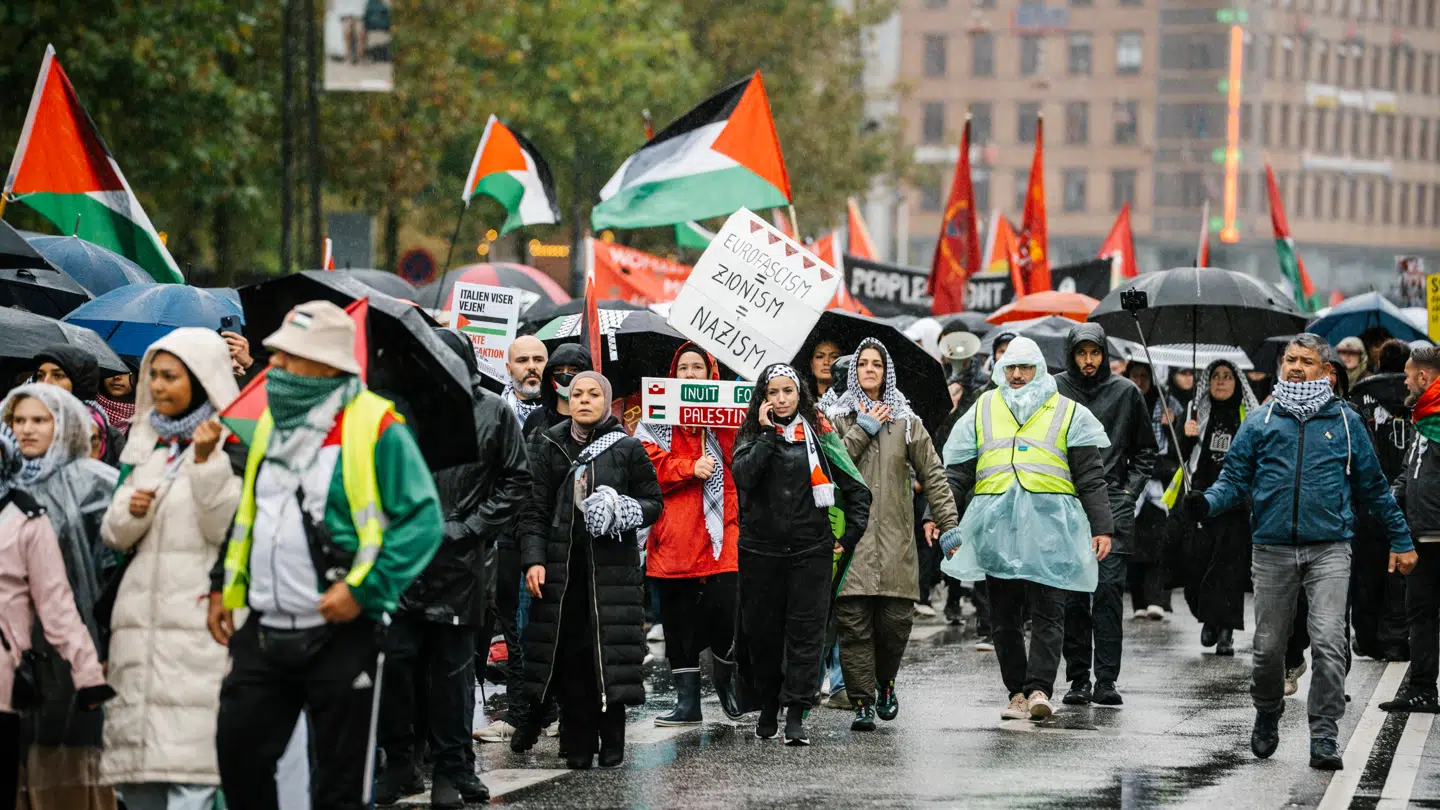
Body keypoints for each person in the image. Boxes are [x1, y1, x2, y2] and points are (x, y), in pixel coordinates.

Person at [208, 301, 443, 810]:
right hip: (264, 630)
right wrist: (223, 587)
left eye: (291, 358)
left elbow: (423, 522)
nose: (275, 367)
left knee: (339, 783)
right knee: (238, 754)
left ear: (329, 366)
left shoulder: (378, 427)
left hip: (342, 633)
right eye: (275, 355)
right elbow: (252, 513)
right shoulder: (270, 424)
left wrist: (364, 591)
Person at [1183, 333, 1414, 770]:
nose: (1295, 366)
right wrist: (1207, 501)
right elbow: (1233, 480)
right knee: (1269, 649)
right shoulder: (1261, 419)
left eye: (1306, 360)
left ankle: (1324, 734)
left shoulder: (1345, 421)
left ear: (1324, 370)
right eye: (1290, 359)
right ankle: (1268, 710)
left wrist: (1401, 539)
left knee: (1330, 644)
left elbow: (1374, 488)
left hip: (1330, 549)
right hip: (1271, 550)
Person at [373, 329, 530, 808]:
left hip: (462, 564)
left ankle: (452, 767)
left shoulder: (494, 410)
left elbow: (516, 479)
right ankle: (401, 761)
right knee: (397, 664)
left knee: (452, 673)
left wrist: (470, 526)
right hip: (404, 559)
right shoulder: (399, 408)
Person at [92, 329, 241, 810]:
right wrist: (131, 510)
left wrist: (204, 464)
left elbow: (230, 529)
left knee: (192, 774)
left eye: (169, 376)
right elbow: (113, 535)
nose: (156, 385)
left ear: (199, 380)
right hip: (138, 632)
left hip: (199, 628)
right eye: (152, 375)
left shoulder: (232, 445)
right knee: (140, 782)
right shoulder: (148, 446)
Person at [940, 337, 1113, 721]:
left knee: (1050, 611)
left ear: (1039, 370)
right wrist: (941, 516)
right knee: (1004, 616)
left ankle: (1039, 690)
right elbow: (957, 472)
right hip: (997, 529)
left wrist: (1102, 526)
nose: (1016, 375)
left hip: (1050, 529)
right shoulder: (983, 407)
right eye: (1010, 368)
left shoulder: (1068, 411)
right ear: (1001, 370)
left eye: (1025, 368)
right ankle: (1016, 692)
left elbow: (1090, 476)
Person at [515, 371, 662, 769]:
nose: (584, 400)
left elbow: (653, 502)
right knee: (570, 659)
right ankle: (577, 740)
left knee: (608, 657)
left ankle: (612, 736)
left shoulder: (628, 448)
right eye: (577, 393)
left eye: (593, 394)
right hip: (562, 574)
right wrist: (534, 559)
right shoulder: (547, 444)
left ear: (606, 401)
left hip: (611, 575)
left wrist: (621, 508)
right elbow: (534, 510)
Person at [732, 364, 870, 746]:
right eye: (772, 392)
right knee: (763, 634)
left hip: (811, 551)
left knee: (806, 635)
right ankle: (767, 706)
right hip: (761, 552)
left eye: (787, 392)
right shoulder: (750, 435)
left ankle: (796, 712)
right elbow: (743, 477)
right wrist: (765, 435)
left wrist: (851, 535)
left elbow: (857, 488)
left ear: (799, 395)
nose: (780, 399)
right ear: (762, 398)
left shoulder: (821, 435)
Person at [824, 338, 959, 731]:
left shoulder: (907, 420)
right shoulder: (837, 418)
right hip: (852, 541)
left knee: (895, 623)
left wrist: (947, 522)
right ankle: (863, 700)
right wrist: (862, 430)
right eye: (862, 364)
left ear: (886, 373)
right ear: (853, 371)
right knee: (854, 625)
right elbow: (831, 466)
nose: (869, 370)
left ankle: (885, 683)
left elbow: (933, 473)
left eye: (876, 365)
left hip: (898, 539)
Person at [0, 384, 119, 810]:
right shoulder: (4, 485)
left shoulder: (97, 486)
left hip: (76, 644)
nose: (27, 430)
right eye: (18, 420)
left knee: (70, 764)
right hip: (13, 648)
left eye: (40, 420)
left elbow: (112, 571)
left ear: (64, 425)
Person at [634, 343, 739, 727]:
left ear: (711, 374)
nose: (690, 374)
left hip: (721, 534)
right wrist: (688, 466)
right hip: (674, 536)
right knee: (678, 625)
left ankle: (726, 674)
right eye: (684, 367)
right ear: (673, 374)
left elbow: (741, 458)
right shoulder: (656, 417)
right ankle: (687, 705)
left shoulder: (729, 414)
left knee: (725, 611)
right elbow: (645, 464)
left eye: (698, 367)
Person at [1053, 324, 1157, 708]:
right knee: (1072, 597)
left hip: (1112, 504)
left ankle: (1107, 679)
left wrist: (1129, 493)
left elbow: (1147, 450)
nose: (1088, 361)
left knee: (1109, 594)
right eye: (1081, 353)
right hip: (1065, 504)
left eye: (1094, 352)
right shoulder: (1056, 390)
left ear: (1104, 353)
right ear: (1070, 354)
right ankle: (1078, 678)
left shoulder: (1126, 393)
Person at [473, 335, 551, 745]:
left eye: (539, 359)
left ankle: (538, 709)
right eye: (523, 360)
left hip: (539, 533)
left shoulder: (560, 411)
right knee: (505, 621)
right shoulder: (493, 411)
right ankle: (519, 709)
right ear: (508, 366)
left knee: (533, 624)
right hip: (500, 531)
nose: (532, 367)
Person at [1172, 360, 1259, 656]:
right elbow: (1180, 457)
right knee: (1198, 564)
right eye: (1215, 377)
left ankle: (1226, 631)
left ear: (1238, 382)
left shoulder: (1250, 415)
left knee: (1230, 569)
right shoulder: (1196, 412)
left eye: (1227, 377)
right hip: (1200, 501)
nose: (1221, 382)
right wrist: (1186, 434)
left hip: (1235, 504)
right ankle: (1207, 618)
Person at [1382, 345, 1440, 713]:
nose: (1404, 380)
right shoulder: (1424, 418)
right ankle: (1422, 689)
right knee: (1419, 613)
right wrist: (1389, 497)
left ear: (1423, 377)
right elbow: (1410, 471)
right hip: (1422, 535)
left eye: (1408, 374)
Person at [1349, 339, 1415, 662]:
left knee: (1368, 569)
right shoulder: (1415, 394)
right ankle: (1397, 636)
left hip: (1369, 493)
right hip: (1408, 491)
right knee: (1402, 569)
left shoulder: (1362, 394)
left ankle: (1367, 635)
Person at [1121, 360, 1181, 621]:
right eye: (1135, 375)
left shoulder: (1168, 402)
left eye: (1145, 376)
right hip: (1131, 481)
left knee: (1159, 544)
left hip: (1159, 482)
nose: (1140, 381)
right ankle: (1139, 603)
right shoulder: (1122, 399)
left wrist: (1173, 426)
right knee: (1132, 546)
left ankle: (1159, 599)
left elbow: (1182, 444)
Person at [34, 345, 122, 467]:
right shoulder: (22, 425)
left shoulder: (106, 435)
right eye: (40, 376)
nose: (46, 382)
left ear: (79, 382)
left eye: (58, 375)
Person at [96, 371, 136, 436]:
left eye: (125, 372)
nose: (116, 377)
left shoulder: (149, 418)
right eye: (111, 370)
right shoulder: (87, 411)